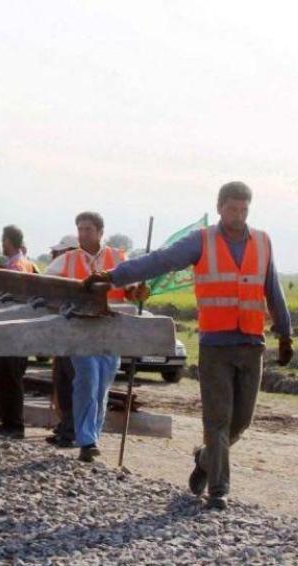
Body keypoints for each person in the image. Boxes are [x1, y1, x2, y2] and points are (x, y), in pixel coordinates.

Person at [85, 182, 293, 511]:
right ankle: (219, 490)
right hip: (215, 346)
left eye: (244, 210)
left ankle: (205, 459)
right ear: (220, 207)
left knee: (241, 422)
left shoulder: (263, 241)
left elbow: (273, 290)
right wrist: (114, 276)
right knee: (218, 421)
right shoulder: (202, 241)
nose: (238, 216)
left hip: (251, 344)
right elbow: (161, 261)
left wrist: (285, 334)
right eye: (232, 209)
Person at [47, 212, 143, 462]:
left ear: (100, 232)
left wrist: (137, 292)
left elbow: (132, 288)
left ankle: (92, 437)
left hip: (110, 333)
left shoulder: (118, 258)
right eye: (80, 229)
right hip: (81, 333)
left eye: (87, 229)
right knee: (87, 380)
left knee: (101, 388)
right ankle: (87, 440)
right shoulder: (67, 260)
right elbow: (46, 283)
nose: (82, 234)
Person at [0, 225, 39, 439]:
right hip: (15, 329)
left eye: (3, 240)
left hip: (13, 330)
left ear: (8, 241)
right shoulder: (25, 263)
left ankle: (14, 424)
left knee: (8, 376)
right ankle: (8, 422)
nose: (2, 244)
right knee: (1, 374)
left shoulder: (16, 267)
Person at [45, 235, 79, 448]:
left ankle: (70, 431)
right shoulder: (64, 271)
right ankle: (64, 427)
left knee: (72, 387)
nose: (55, 255)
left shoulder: (73, 271)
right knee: (63, 386)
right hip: (63, 337)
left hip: (75, 339)